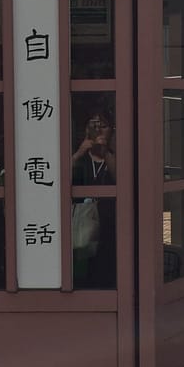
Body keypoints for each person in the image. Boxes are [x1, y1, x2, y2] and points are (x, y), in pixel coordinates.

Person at [71, 112, 115, 287]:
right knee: (82, 269)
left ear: (111, 131)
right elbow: (58, 180)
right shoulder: (80, 155)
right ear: (86, 129)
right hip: (81, 222)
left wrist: (105, 151)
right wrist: (79, 152)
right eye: (94, 125)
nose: (99, 130)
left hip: (109, 223)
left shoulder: (113, 155)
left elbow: (122, 179)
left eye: (103, 126)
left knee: (106, 268)